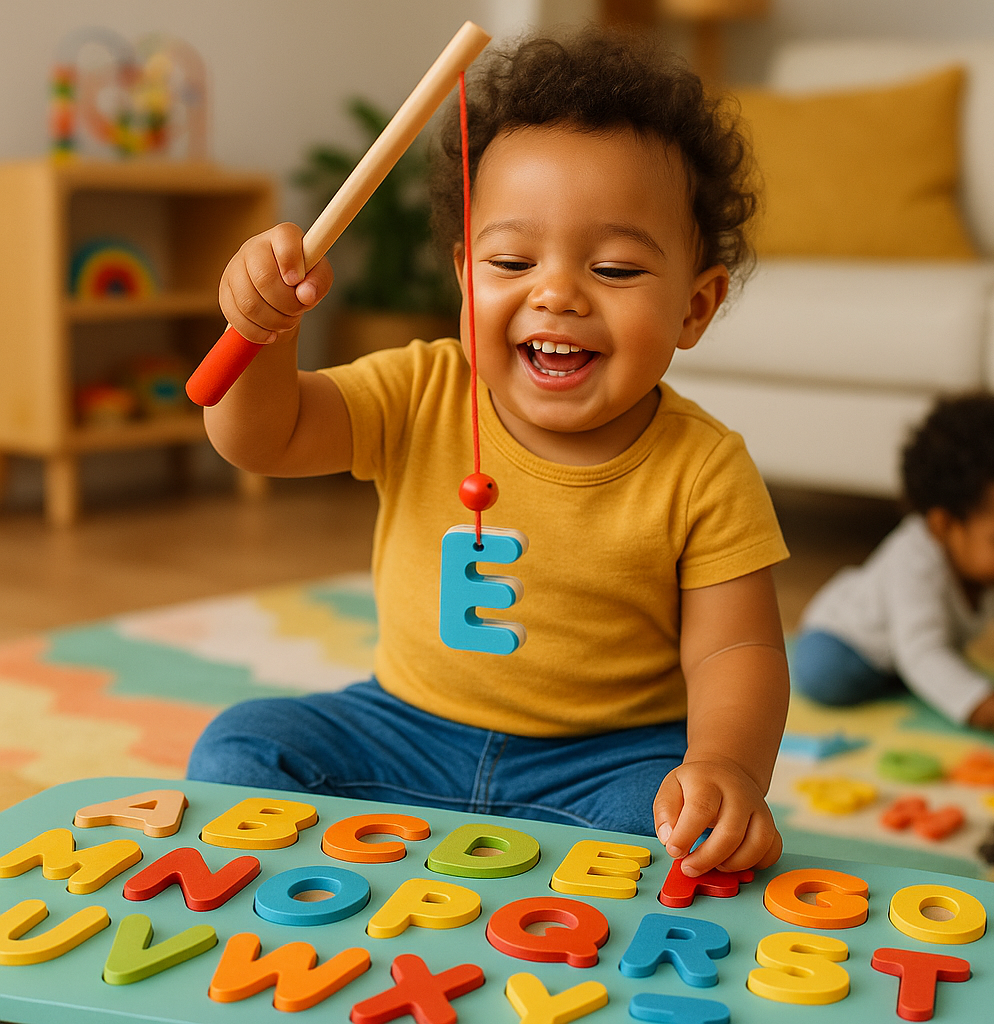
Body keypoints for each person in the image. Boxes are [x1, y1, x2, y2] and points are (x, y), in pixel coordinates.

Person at [187, 28, 791, 878]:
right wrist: (261, 336)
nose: (556, 292)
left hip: (605, 764)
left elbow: (738, 654)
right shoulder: (420, 390)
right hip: (403, 734)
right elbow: (262, 436)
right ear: (468, 275)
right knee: (242, 747)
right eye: (513, 260)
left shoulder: (705, 468)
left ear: (695, 307)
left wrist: (727, 769)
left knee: (695, 852)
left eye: (615, 269)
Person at [793, 392, 994, 740]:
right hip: (846, 638)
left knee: (940, 669)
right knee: (824, 675)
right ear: (944, 525)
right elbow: (923, 653)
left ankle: (917, 680)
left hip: (911, 650)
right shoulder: (914, 560)